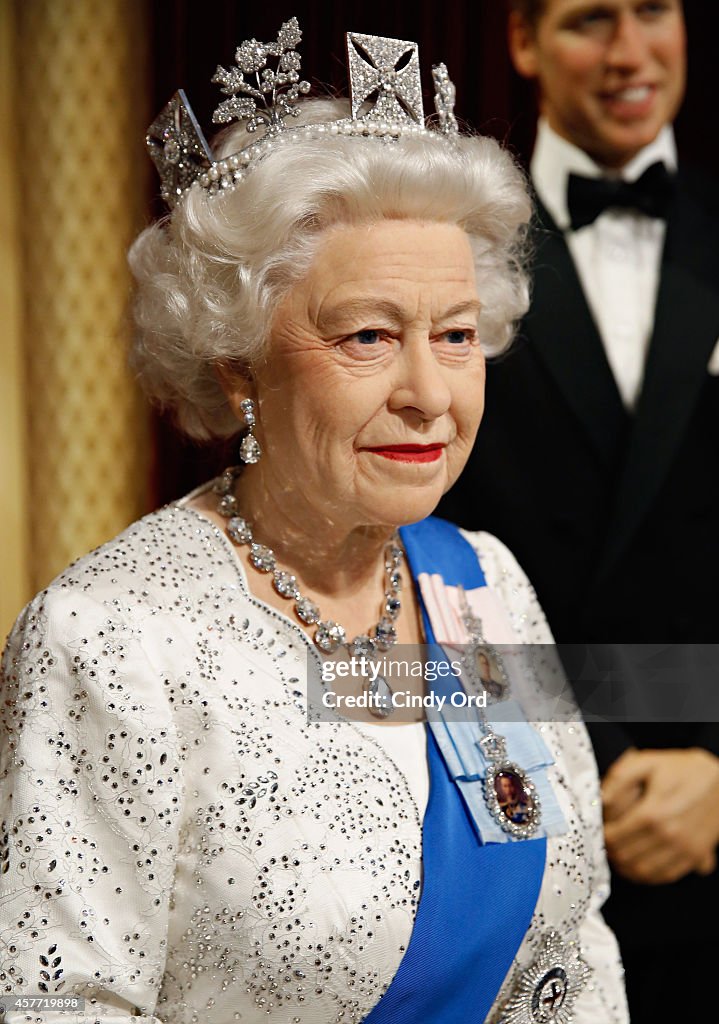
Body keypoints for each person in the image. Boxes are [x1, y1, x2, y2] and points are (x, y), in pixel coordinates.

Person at [0, 21, 628, 1024]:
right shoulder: (113, 637)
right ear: (235, 361)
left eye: (456, 335)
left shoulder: (482, 586)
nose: (429, 393)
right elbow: (55, 1003)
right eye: (367, 336)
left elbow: (566, 950)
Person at [439, 1, 719, 1019]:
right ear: (519, 40)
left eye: (651, 11)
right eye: (587, 19)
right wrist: (583, 765)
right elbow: (414, 567)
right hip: (519, 824)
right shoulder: (446, 264)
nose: (627, 52)